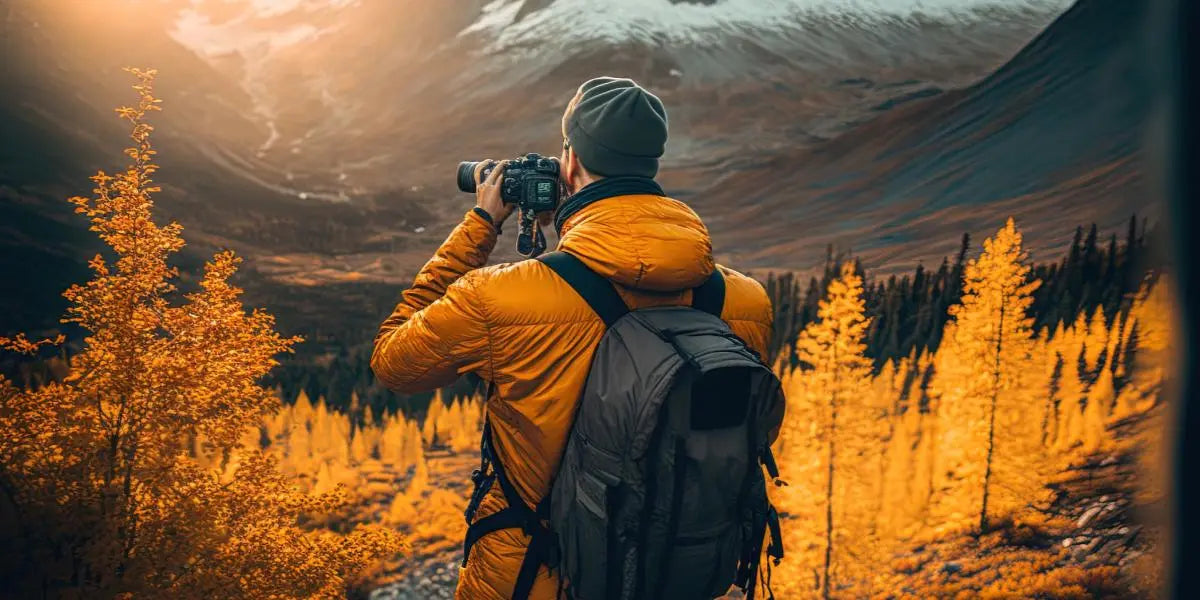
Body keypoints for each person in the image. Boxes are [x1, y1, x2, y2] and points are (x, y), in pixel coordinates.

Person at [371, 76, 774, 600]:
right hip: (677, 577)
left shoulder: (502, 298)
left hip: (532, 579)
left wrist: (480, 226)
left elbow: (392, 362)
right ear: (651, 163)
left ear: (571, 162)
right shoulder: (745, 303)